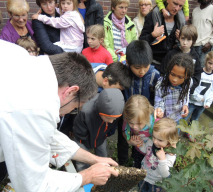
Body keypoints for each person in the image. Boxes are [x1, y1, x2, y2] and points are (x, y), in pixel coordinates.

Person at [0, 40, 119, 192]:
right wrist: (87, 175)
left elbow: (44, 134)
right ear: (70, 92)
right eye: (75, 107)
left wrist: (94, 159)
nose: (67, 113)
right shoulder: (37, 106)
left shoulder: (21, 56)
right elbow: (34, 186)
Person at [118, 40, 160, 166]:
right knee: (123, 138)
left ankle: (140, 160)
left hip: (144, 116)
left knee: (142, 138)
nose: (141, 71)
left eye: (145, 67)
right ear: (129, 63)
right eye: (137, 68)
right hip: (128, 114)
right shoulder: (124, 73)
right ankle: (123, 163)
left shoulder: (154, 75)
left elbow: (156, 96)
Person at [73, 88, 125, 171]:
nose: (111, 121)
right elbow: (79, 130)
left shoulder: (116, 113)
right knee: (83, 160)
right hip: (83, 140)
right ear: (100, 112)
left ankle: (102, 173)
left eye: (114, 119)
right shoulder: (86, 112)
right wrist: (86, 142)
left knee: (103, 156)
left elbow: (113, 127)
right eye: (108, 118)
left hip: (101, 137)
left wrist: (106, 134)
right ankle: (84, 175)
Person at [139, 0, 186, 71]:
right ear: (168, 0)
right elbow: (141, 41)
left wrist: (181, 39)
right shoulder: (152, 16)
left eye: (180, 6)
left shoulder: (181, 21)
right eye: (175, 3)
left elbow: (186, 47)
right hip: (153, 64)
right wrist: (153, 35)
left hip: (172, 66)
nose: (177, 8)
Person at [184, 51, 213, 139]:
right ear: (206, 60)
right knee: (185, 118)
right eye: (210, 63)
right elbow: (191, 86)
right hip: (192, 101)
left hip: (202, 104)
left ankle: (190, 133)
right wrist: (197, 97)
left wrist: (208, 102)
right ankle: (177, 133)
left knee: (195, 120)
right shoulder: (198, 72)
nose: (211, 66)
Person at [154, 53, 194, 133]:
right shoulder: (162, 83)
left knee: (174, 135)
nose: (174, 80)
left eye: (180, 77)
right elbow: (159, 98)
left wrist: (185, 104)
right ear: (169, 71)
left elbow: (186, 93)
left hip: (177, 117)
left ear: (187, 77)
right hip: (164, 118)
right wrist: (159, 110)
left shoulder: (189, 82)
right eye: (172, 74)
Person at [137, 118, 178, 192]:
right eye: (154, 137)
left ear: (170, 141)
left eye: (160, 140)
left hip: (155, 182)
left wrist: (162, 160)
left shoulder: (170, 155)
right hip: (143, 174)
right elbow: (146, 150)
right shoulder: (151, 141)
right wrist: (140, 144)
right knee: (141, 189)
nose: (155, 141)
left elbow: (166, 175)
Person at [122, 95, 155, 168]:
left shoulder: (155, 123)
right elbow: (124, 131)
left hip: (153, 153)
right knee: (138, 167)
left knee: (150, 169)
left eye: (139, 124)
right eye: (131, 123)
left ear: (147, 116)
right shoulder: (128, 119)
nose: (134, 127)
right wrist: (129, 141)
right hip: (138, 151)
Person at [192, 0, 213, 66]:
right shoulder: (195, 10)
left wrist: (210, 43)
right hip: (193, 46)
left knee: (200, 69)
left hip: (204, 47)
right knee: (190, 68)